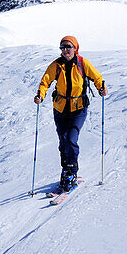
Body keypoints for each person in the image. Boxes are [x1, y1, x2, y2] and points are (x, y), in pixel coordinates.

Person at [34, 35, 107, 194]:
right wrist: (40, 95)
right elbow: (45, 82)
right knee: (62, 140)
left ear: (75, 48)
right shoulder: (56, 65)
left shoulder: (82, 63)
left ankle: (72, 171)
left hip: (78, 108)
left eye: (68, 47)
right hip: (60, 109)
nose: (65, 50)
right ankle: (65, 169)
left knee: (71, 138)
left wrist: (101, 87)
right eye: (62, 47)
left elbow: (97, 77)